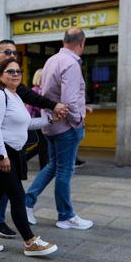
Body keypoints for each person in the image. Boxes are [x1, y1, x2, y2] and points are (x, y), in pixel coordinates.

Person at [0, 41, 68, 237]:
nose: (15, 74)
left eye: (18, 71)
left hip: (14, 151)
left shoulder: (14, 95)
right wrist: (2, 156)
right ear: (0, 73)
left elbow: (25, 123)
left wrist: (49, 119)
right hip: (3, 152)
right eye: (10, 71)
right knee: (17, 196)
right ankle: (30, 240)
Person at [24, 28, 94, 230]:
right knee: (64, 170)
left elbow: (49, 94)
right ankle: (66, 216)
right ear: (81, 43)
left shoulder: (52, 60)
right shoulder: (71, 63)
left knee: (53, 166)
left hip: (53, 124)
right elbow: (70, 100)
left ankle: (28, 201)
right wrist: (78, 117)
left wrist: (81, 107)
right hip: (67, 127)